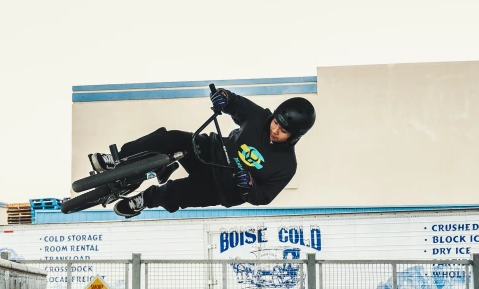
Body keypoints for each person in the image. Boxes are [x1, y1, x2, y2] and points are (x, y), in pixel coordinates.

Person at [87, 88, 316, 218]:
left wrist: (250, 186)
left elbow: (264, 196)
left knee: (175, 193)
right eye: (275, 122)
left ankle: (143, 200)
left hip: (220, 189)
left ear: (295, 136)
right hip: (210, 152)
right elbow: (236, 104)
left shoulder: (287, 165)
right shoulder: (259, 117)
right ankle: (118, 159)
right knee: (170, 137)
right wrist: (224, 98)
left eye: (282, 130)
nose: (274, 129)